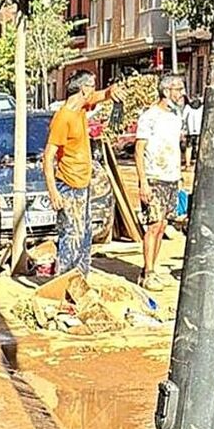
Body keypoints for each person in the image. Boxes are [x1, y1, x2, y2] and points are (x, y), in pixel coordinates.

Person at [43, 70, 124, 276]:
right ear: (84, 89)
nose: (94, 90)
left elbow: (100, 96)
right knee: (72, 235)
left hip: (82, 183)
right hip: (68, 186)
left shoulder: (80, 108)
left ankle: (80, 280)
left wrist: (110, 91)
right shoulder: (64, 117)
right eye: (92, 85)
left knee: (85, 234)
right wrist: (53, 192)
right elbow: (48, 156)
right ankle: (65, 284)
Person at [134, 74, 186, 292]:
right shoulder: (149, 117)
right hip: (154, 178)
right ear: (166, 92)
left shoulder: (175, 116)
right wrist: (143, 182)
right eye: (178, 89)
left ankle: (151, 268)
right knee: (153, 226)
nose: (182, 93)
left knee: (163, 225)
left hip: (171, 178)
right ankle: (148, 272)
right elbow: (139, 150)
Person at [182, 95, 203, 167]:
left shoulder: (188, 107)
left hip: (190, 130)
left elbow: (183, 118)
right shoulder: (202, 107)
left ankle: (188, 163)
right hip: (199, 130)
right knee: (198, 146)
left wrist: (183, 128)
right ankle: (197, 162)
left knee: (189, 147)